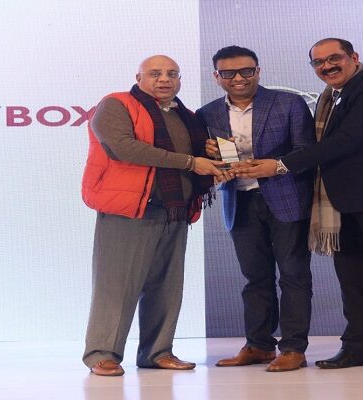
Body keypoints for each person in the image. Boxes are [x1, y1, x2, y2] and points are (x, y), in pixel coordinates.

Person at [233, 38, 363, 372]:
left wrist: (281, 165)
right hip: (346, 200)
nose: (327, 66)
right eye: (318, 62)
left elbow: (346, 141)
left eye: (334, 58)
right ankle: (357, 347)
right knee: (353, 278)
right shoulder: (332, 96)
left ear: (354, 57)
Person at [81, 55, 228, 377]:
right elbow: (124, 147)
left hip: (176, 209)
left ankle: (157, 352)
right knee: (116, 285)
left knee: (166, 287)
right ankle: (102, 354)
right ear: (139, 78)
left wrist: (209, 155)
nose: (165, 79)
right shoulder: (116, 104)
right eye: (156, 73)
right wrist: (191, 162)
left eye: (172, 74)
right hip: (129, 210)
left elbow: (195, 156)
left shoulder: (186, 115)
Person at [196, 46, 316, 372]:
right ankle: (259, 345)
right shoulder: (207, 114)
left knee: (293, 275)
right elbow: (208, 161)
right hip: (239, 201)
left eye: (246, 71)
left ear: (258, 71)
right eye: (229, 73)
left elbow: (307, 152)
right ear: (216, 76)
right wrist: (210, 154)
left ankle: (293, 348)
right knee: (255, 278)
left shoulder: (288, 103)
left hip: (287, 199)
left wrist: (275, 165)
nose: (238, 78)